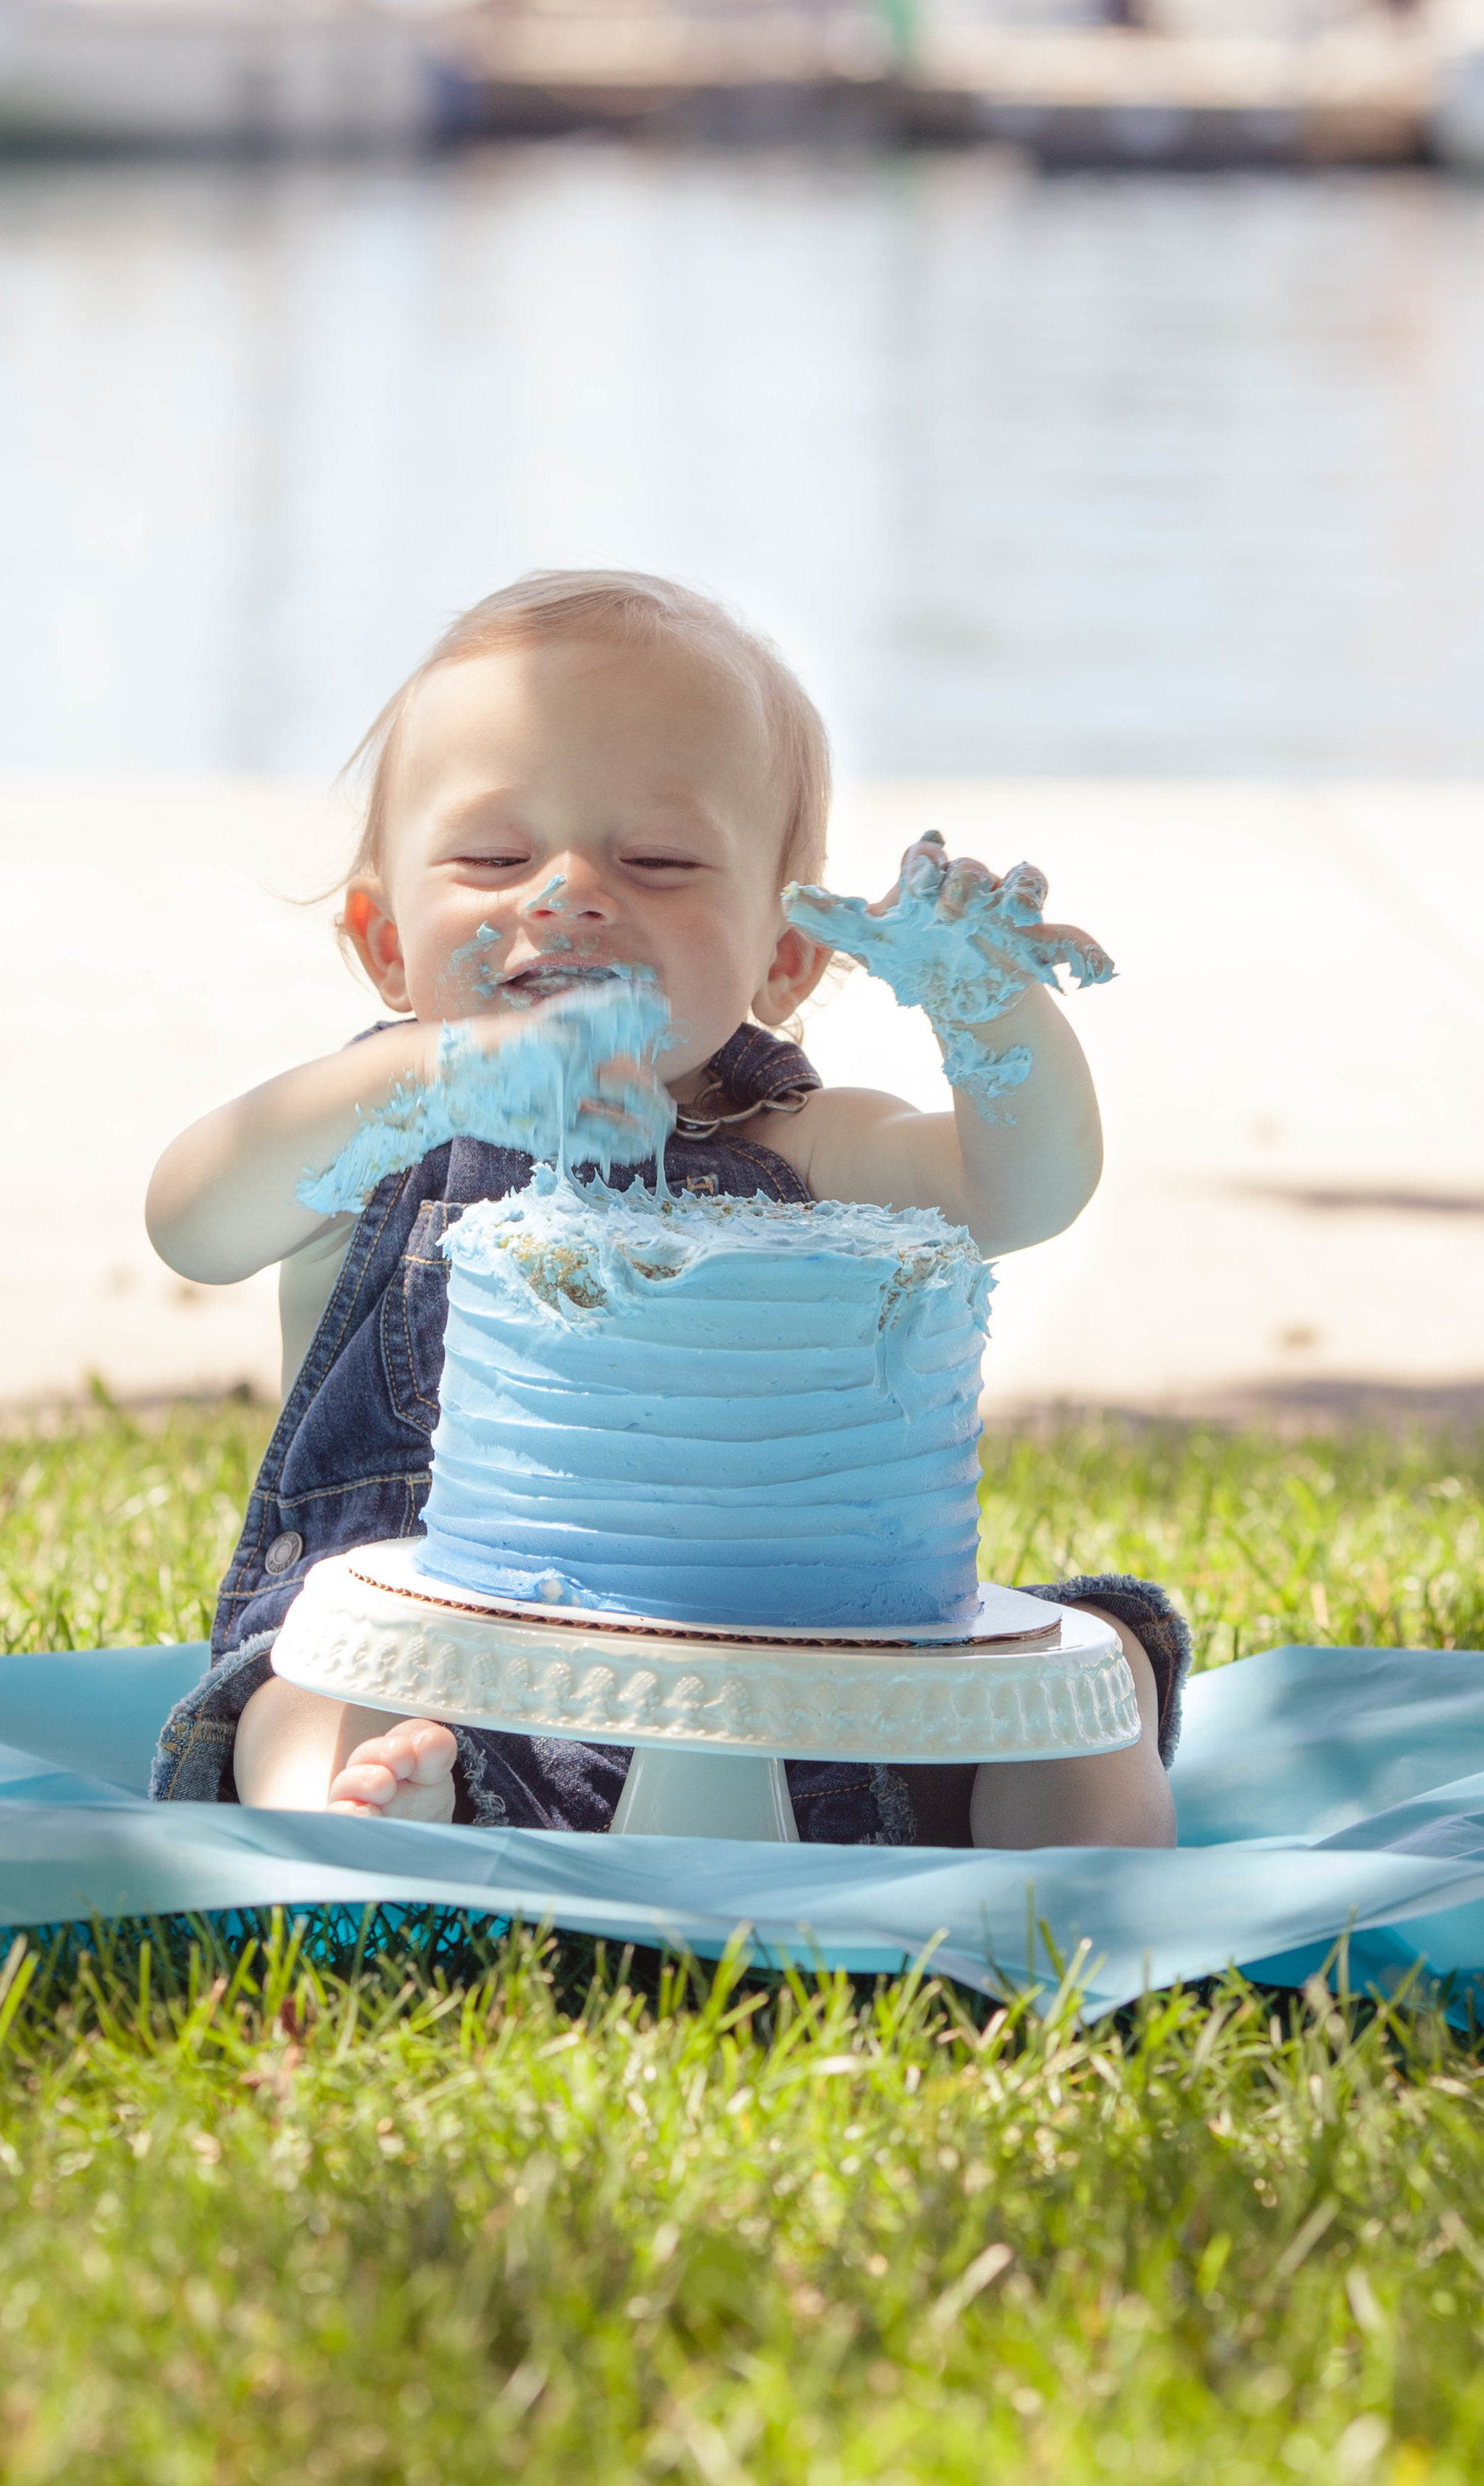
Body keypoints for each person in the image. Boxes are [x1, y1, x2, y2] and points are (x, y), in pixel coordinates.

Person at [146, 570, 1185, 1846]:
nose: (572, 891)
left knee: (1097, 1663)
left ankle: (1074, 1911)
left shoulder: (805, 1136)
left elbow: (1014, 1191)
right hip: (434, 1680)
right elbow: (194, 1223)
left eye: (659, 860)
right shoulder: (378, 1127)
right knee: (297, 1688)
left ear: (784, 957)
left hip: (819, 1703)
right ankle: (368, 1829)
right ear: (381, 938)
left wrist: (987, 1010)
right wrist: (434, 1077)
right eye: (493, 854)